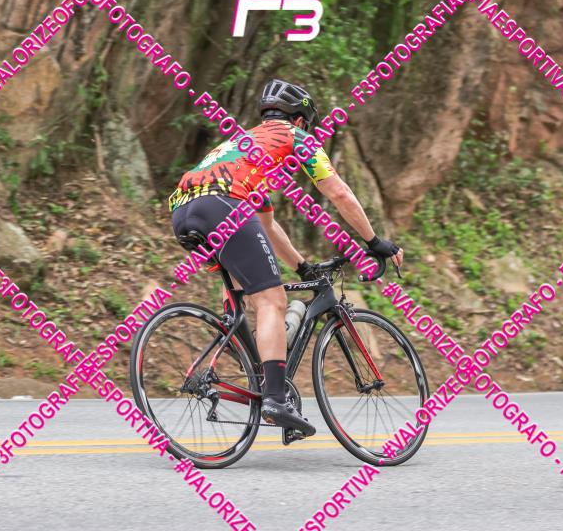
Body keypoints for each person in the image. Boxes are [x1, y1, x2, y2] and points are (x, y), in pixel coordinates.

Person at [168, 79, 403, 436]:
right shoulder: (296, 136)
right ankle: (276, 400)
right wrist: (375, 241)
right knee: (272, 301)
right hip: (224, 206)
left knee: (242, 285)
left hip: (184, 211)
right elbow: (338, 192)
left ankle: (241, 347)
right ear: (300, 120)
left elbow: (265, 225)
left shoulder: (244, 147)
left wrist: (302, 266)